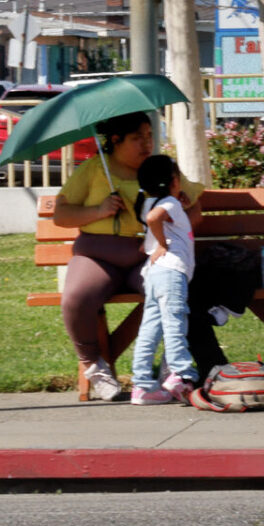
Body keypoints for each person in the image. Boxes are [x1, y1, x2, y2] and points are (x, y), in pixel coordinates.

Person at [49, 112, 210, 400]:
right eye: (137, 138)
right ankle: (94, 365)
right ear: (115, 140)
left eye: (149, 136)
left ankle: (169, 367)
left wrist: (180, 213)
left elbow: (195, 209)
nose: (146, 144)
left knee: (168, 293)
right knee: (76, 297)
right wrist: (97, 211)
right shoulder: (94, 169)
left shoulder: (160, 168)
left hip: (148, 255)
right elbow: (61, 214)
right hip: (97, 256)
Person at [130, 155, 199, 404]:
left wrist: (179, 205)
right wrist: (161, 243)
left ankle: (142, 385)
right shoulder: (168, 203)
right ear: (174, 180)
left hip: (154, 274)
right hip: (171, 272)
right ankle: (180, 374)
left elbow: (153, 217)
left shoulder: (150, 202)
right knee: (175, 323)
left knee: (150, 328)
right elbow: (154, 219)